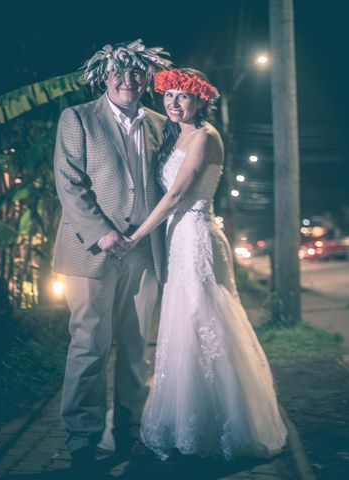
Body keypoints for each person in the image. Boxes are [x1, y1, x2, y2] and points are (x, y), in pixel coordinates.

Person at [120, 68, 287, 460]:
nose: (174, 103)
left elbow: (178, 193)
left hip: (196, 235)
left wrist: (136, 235)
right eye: (169, 96)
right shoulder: (174, 135)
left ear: (199, 100)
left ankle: (219, 425)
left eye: (183, 96)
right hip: (177, 239)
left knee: (204, 320)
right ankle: (183, 422)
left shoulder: (206, 136)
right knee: (182, 325)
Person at [52, 39, 172, 471]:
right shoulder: (77, 119)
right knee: (89, 345)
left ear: (146, 77)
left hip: (144, 252)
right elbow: (69, 183)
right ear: (105, 76)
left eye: (136, 73)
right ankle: (82, 439)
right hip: (90, 252)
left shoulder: (163, 124)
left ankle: (130, 432)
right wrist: (102, 234)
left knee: (136, 347)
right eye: (119, 73)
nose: (128, 80)